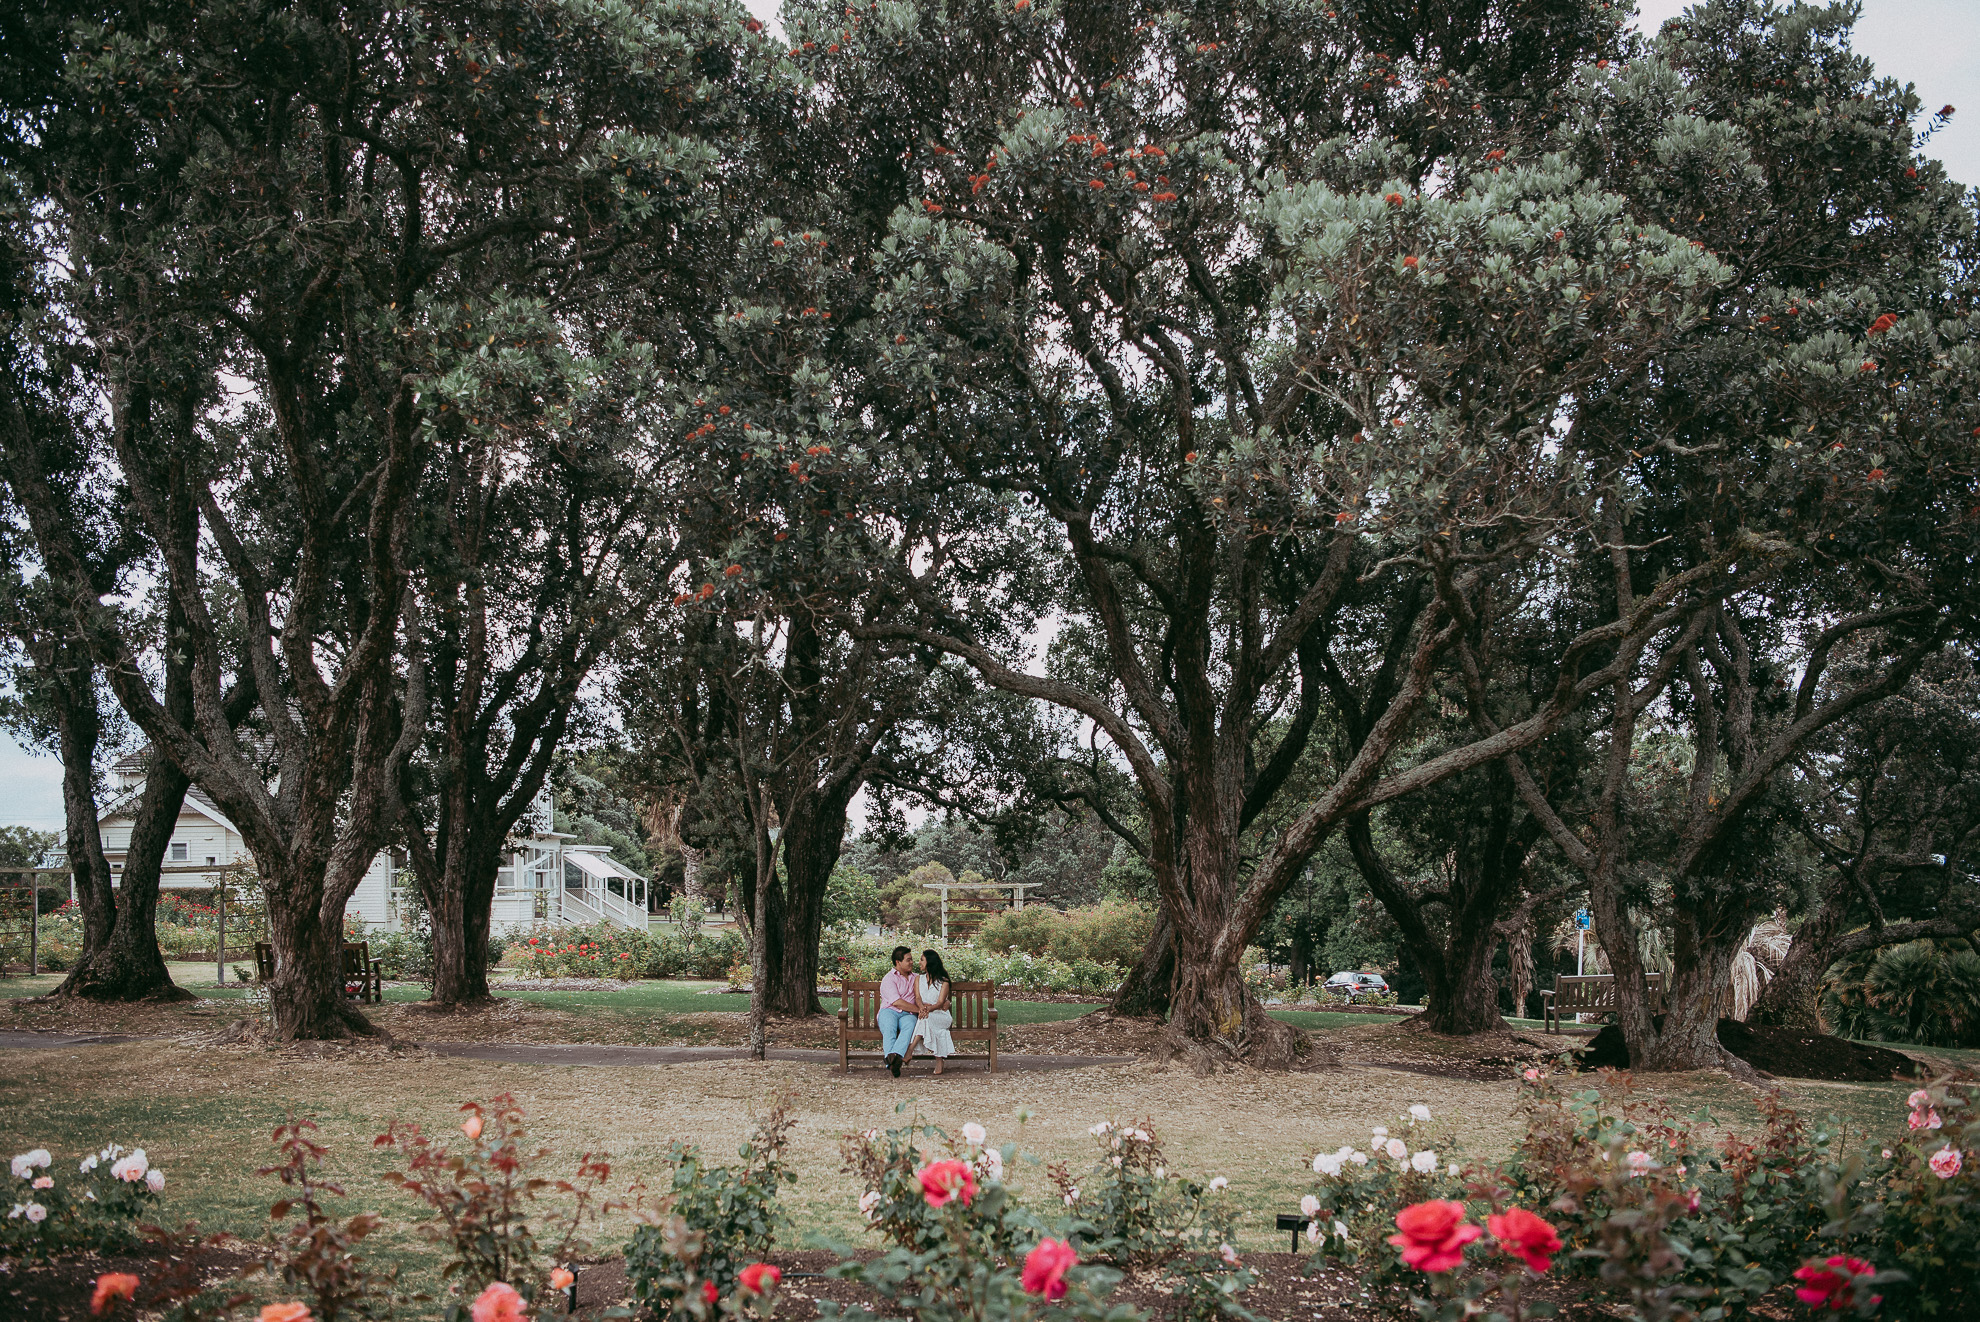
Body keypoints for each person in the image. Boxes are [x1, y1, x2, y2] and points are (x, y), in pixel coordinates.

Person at [904, 949, 955, 1076]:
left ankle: (910, 1049)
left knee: (925, 1019)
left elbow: (940, 1003)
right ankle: (939, 1061)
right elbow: (917, 998)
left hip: (941, 1016)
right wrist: (922, 1008)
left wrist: (927, 1010)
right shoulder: (918, 979)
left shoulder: (944, 981)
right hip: (926, 1015)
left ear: (930, 962)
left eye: (922, 960)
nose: (919, 962)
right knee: (926, 1019)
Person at [877, 946, 918, 1077]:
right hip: (889, 1011)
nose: (912, 962)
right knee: (889, 1027)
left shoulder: (916, 978)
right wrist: (919, 1009)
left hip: (908, 1014)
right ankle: (894, 1060)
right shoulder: (889, 979)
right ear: (898, 962)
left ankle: (893, 1060)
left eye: (911, 959)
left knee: (910, 1025)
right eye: (908, 960)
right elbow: (897, 1002)